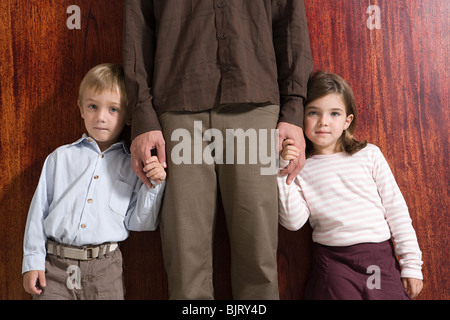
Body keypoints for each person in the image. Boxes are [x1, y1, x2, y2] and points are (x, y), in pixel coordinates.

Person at [123, 1, 313, 299]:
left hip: (255, 103)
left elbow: (291, 23)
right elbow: (138, 25)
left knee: (259, 256)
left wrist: (293, 110)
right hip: (178, 105)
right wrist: (142, 114)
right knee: (185, 263)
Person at [22, 63, 166, 300]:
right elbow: (38, 213)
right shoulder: (60, 158)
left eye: (113, 109)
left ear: (129, 115)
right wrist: (32, 262)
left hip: (105, 270)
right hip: (55, 268)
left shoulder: (134, 166)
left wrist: (154, 184)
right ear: (81, 109)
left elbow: (141, 223)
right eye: (93, 106)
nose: (100, 117)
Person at [278, 71, 423, 299]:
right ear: (301, 118)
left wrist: (412, 265)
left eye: (334, 113)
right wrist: (283, 167)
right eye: (313, 112)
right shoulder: (302, 167)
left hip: (378, 259)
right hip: (334, 263)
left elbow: (397, 212)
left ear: (347, 120)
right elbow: (294, 222)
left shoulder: (369, 155)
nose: (323, 121)